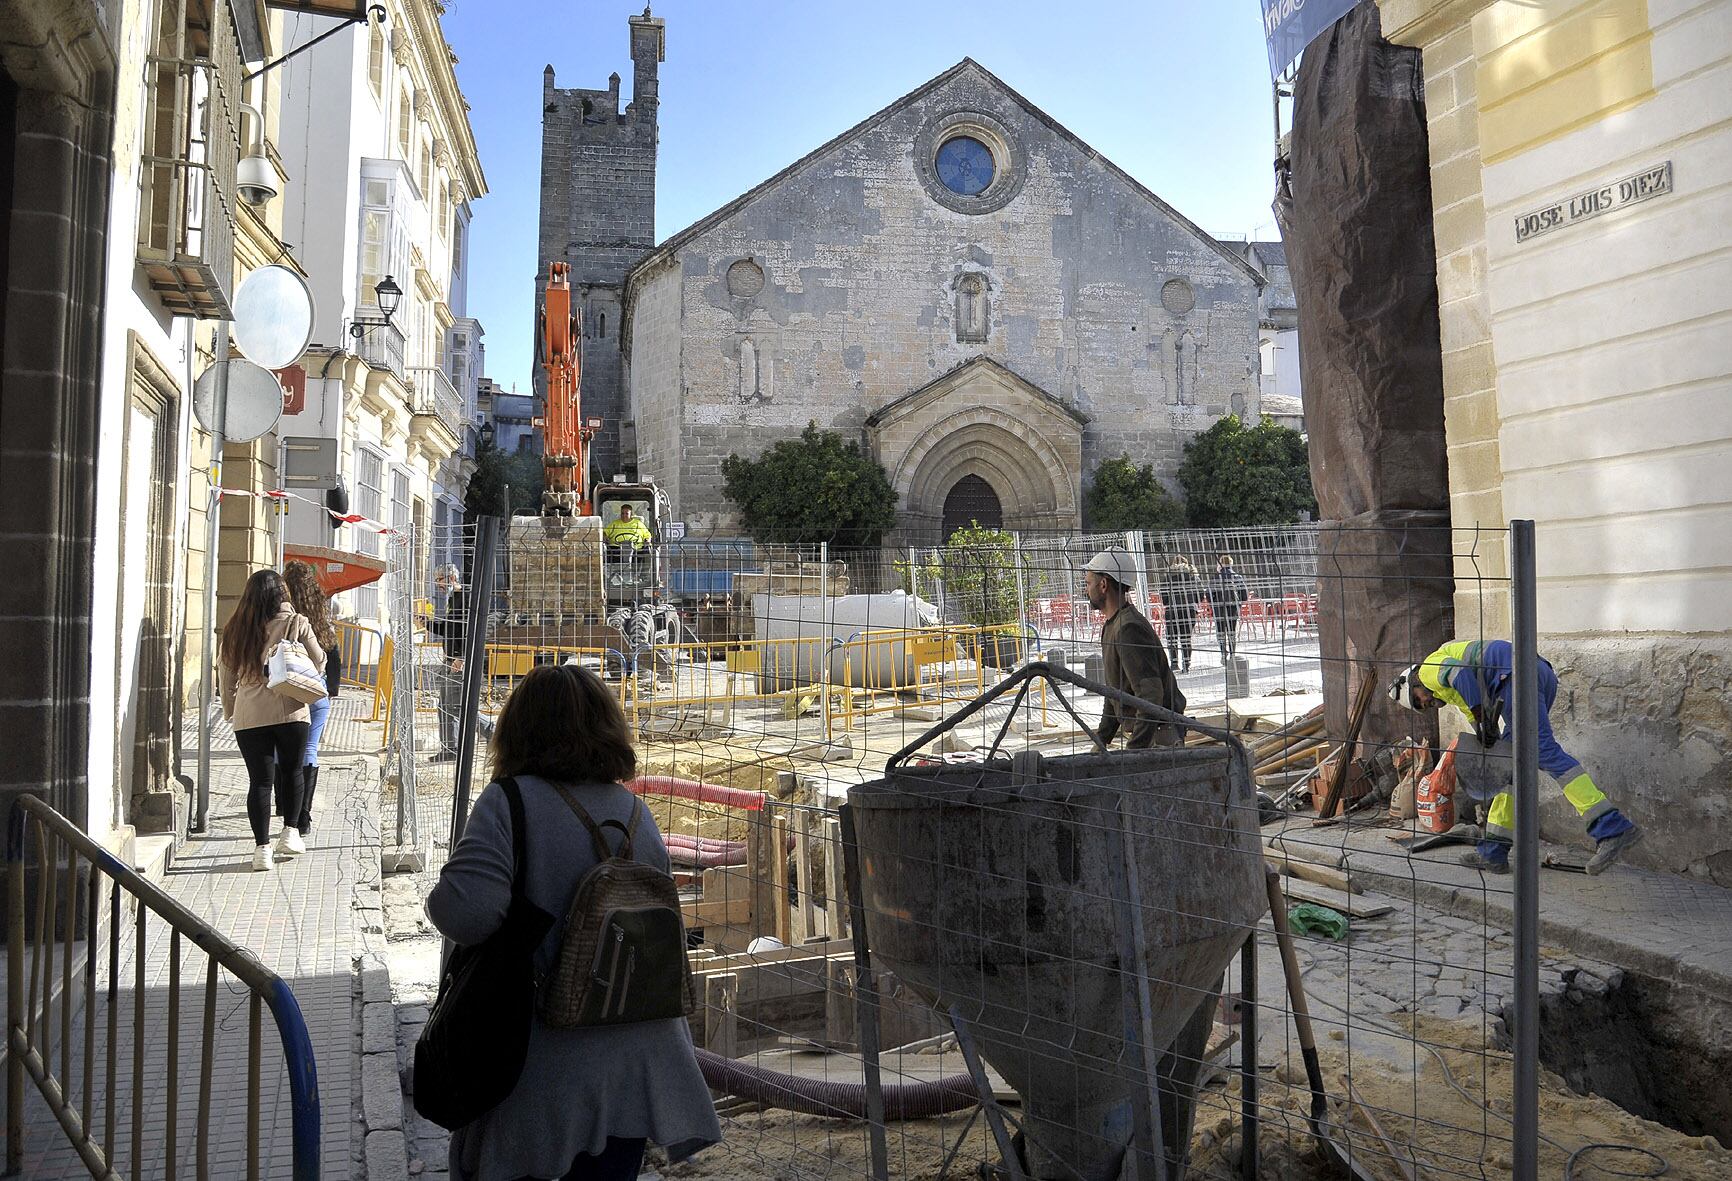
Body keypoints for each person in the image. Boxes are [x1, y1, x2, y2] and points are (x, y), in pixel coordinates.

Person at [426, 664, 721, 1180]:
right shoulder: (635, 812)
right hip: (633, 1069)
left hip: (538, 1067)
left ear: (517, 731)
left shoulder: (509, 803)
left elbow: (464, 915)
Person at [1390, 639, 1644, 875]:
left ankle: (1612, 827)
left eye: (1419, 701)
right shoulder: (1455, 694)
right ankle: (1493, 852)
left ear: (1414, 685)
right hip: (1536, 674)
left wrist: (1481, 718)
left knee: (1544, 752)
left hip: (1515, 677)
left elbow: (1461, 675)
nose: (1426, 705)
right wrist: (1485, 731)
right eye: (1422, 707)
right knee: (1507, 767)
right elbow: (1479, 719)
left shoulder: (1427, 670)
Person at [218, 568, 325, 871]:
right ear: (282, 595)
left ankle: (261, 849)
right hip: (291, 707)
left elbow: (225, 673)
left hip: (250, 713)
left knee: (260, 782)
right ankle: (290, 832)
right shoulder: (296, 622)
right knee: (292, 771)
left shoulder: (235, 628)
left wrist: (230, 709)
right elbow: (318, 660)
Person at [1085, 547, 1185, 749]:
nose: (1086, 589)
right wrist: (1100, 742)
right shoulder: (1113, 626)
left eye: (1088, 583)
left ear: (1103, 585)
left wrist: (1134, 751)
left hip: (1159, 738)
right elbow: (1114, 693)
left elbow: (1151, 696)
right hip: (1152, 736)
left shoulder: (1128, 628)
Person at [282, 560, 342, 837]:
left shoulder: (281, 612)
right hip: (315, 688)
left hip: (285, 687)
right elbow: (331, 650)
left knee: (279, 748)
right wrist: (331, 687)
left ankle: (284, 803)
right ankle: (303, 814)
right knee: (310, 748)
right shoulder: (318, 610)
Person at [426, 564, 468, 763]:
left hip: (459, 662)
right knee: (444, 706)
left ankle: (494, 733)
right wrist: (425, 622)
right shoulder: (452, 599)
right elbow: (448, 629)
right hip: (449, 660)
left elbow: (472, 631)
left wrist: (462, 657)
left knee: (457, 708)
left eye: (440, 579)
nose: (437, 584)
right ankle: (449, 749)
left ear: (451, 578)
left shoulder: (465, 599)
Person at [1160, 555, 1202, 672]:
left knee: (1172, 638)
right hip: (1189, 610)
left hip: (1172, 610)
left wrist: (1169, 602)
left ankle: (1174, 663)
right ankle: (1186, 664)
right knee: (1186, 638)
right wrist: (1194, 602)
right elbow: (1200, 594)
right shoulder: (1193, 576)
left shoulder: (1168, 577)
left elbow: (1164, 597)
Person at [1207, 553, 1249, 660]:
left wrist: (1214, 604)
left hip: (1219, 608)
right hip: (1233, 608)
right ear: (1231, 564)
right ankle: (1232, 653)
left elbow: (1209, 595)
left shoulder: (1215, 578)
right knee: (1232, 631)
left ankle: (1223, 652)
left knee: (1220, 631)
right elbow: (1244, 596)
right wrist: (1238, 604)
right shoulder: (1237, 577)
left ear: (1220, 565)